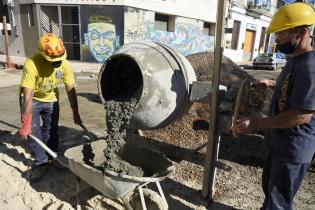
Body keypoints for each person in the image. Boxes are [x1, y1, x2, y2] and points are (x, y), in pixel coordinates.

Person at [236, 3, 315, 210]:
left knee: (278, 202)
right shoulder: (294, 60)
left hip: (293, 149)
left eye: (282, 34)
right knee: (270, 195)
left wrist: (257, 122)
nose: (277, 39)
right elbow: (291, 86)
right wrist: (271, 83)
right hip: (279, 144)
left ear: (302, 32)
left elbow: (301, 116)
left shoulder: (310, 67)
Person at [19, 33, 82, 182]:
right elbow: (27, 96)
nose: (57, 63)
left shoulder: (64, 64)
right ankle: (41, 162)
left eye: (59, 60)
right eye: (53, 61)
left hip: (51, 99)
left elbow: (70, 89)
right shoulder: (31, 64)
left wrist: (75, 112)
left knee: (51, 129)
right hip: (32, 100)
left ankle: (53, 157)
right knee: (34, 131)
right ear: (42, 56)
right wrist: (26, 123)